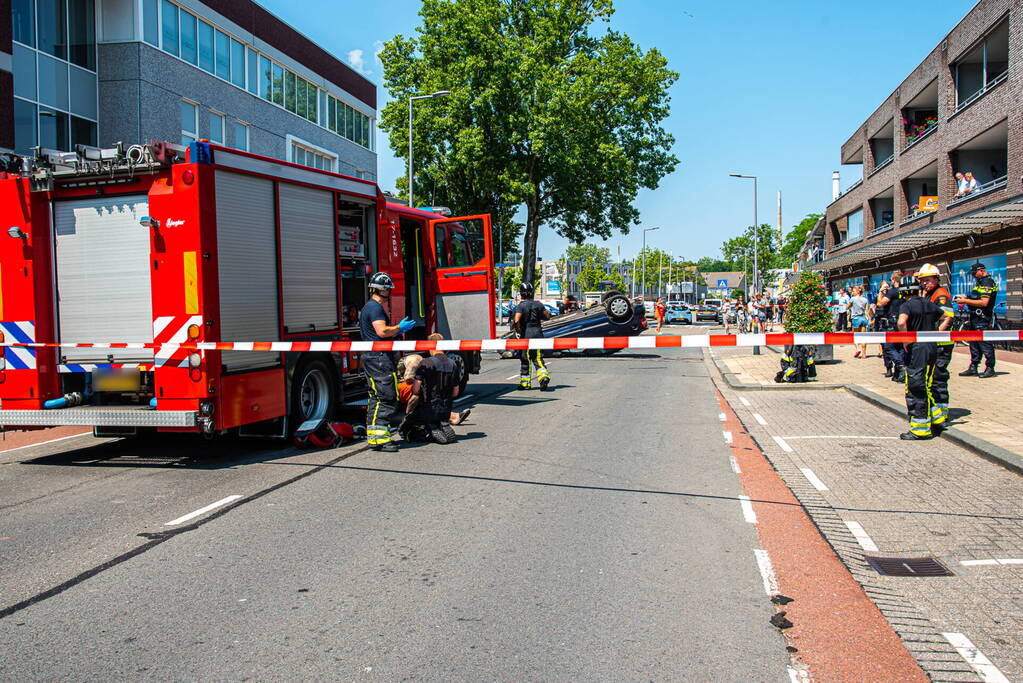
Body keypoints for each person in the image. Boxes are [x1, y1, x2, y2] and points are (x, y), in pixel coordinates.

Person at [360, 272, 416, 452]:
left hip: (375, 358)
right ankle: (380, 440)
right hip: (379, 360)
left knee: (378, 398)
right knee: (386, 397)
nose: (390, 293)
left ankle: (377, 439)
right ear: (383, 290)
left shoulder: (370, 307)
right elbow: (382, 332)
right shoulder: (375, 308)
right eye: (388, 290)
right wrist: (400, 328)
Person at [897, 275, 953, 440]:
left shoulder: (906, 306)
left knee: (915, 387)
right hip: (931, 348)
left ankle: (920, 429)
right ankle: (937, 418)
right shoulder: (928, 303)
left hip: (917, 350)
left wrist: (906, 339)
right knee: (927, 384)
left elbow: (901, 322)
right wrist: (938, 333)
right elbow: (946, 316)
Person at [918, 263, 955, 429]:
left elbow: (946, 318)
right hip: (934, 343)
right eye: (923, 280)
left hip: (941, 344)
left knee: (938, 378)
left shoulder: (940, 295)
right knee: (932, 378)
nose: (925, 283)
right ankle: (937, 413)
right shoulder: (930, 294)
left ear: (936, 279)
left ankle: (942, 414)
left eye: (928, 280)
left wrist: (934, 335)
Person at [956, 262, 999, 378]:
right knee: (973, 344)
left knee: (985, 343)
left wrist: (965, 301)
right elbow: (976, 297)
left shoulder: (988, 283)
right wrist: (966, 298)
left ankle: (990, 368)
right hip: (975, 317)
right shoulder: (979, 282)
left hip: (982, 318)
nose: (974, 275)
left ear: (982, 270)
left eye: (975, 273)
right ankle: (973, 367)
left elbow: (984, 302)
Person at [514, 281, 552, 390]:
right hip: (538, 334)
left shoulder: (521, 306)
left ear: (521, 293)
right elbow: (547, 316)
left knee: (525, 359)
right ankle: (543, 377)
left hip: (526, 335)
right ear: (532, 292)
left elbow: (517, 320)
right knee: (538, 358)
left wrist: (518, 330)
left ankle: (525, 384)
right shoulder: (538, 304)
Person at [877, 270, 904, 380]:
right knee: (900, 348)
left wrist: (880, 293)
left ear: (893, 280)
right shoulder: (904, 291)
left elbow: (880, 303)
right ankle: (899, 374)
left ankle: (901, 366)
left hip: (892, 323)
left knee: (888, 347)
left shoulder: (892, 291)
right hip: (903, 322)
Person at [849, 286, 871, 358]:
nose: (852, 292)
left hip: (855, 318)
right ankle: (864, 354)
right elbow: (867, 311)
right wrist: (869, 319)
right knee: (863, 336)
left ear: (858, 292)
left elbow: (847, 307)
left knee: (855, 335)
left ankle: (858, 349)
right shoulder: (865, 299)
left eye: (854, 291)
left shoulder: (853, 299)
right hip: (863, 318)